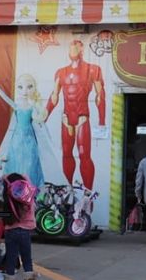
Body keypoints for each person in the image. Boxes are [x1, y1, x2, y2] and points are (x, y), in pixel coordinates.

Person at [45, 40, 106, 189]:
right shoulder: (61, 72)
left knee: (84, 155)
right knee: (66, 153)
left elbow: (100, 95)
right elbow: (54, 96)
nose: (73, 49)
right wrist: (44, 117)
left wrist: (102, 121)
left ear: (81, 49)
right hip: (66, 117)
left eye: (76, 46)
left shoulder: (92, 69)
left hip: (82, 117)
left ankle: (87, 193)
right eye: (71, 47)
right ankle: (68, 188)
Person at [0, 74, 46, 188]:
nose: (25, 91)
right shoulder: (17, 106)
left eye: (29, 87)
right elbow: (4, 97)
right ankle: (14, 188)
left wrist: (35, 105)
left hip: (29, 138)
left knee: (30, 164)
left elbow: (40, 118)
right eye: (20, 87)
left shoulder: (33, 106)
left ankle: (28, 190)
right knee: (15, 162)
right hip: (17, 139)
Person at [3, 173, 38, 279]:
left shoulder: (8, 202)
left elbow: (4, 215)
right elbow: (29, 185)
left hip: (10, 232)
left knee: (11, 257)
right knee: (27, 257)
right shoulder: (28, 202)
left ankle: (10, 275)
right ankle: (28, 275)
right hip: (25, 232)